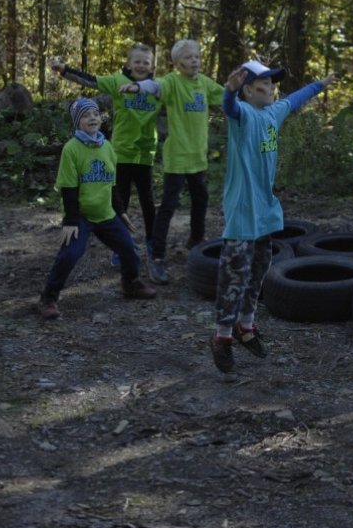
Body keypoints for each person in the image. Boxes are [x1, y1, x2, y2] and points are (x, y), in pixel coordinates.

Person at [210, 61, 336, 373]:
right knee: (234, 275)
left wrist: (320, 85)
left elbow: (295, 99)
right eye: (263, 83)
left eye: (272, 83)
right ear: (248, 90)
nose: (270, 88)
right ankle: (222, 336)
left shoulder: (273, 113)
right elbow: (229, 107)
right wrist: (229, 91)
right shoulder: (243, 114)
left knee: (259, 269)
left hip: (265, 210)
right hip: (243, 210)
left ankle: (245, 326)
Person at [38, 98, 157, 319]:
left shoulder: (107, 147)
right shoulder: (71, 149)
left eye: (95, 113)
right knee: (70, 254)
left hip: (105, 214)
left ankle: (130, 284)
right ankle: (48, 298)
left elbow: (112, 186)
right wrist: (70, 220)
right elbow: (68, 187)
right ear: (77, 122)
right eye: (85, 115)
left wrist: (121, 212)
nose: (92, 118)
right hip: (81, 216)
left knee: (129, 249)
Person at [119, 39, 225, 284]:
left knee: (201, 198)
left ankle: (196, 239)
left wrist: (245, 90)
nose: (194, 61)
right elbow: (155, 86)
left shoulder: (204, 83)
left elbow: (226, 95)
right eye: (188, 57)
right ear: (177, 63)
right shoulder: (173, 82)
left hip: (198, 156)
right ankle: (156, 256)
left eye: (196, 56)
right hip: (177, 156)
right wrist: (137, 87)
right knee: (168, 206)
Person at [50, 44, 163, 269]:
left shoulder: (159, 89)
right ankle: (121, 247)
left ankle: (152, 243)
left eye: (146, 62)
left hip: (144, 154)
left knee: (148, 203)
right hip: (120, 153)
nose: (141, 66)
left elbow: (182, 100)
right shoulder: (117, 81)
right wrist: (65, 70)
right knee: (120, 201)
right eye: (137, 61)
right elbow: (91, 80)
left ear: (152, 66)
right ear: (129, 64)